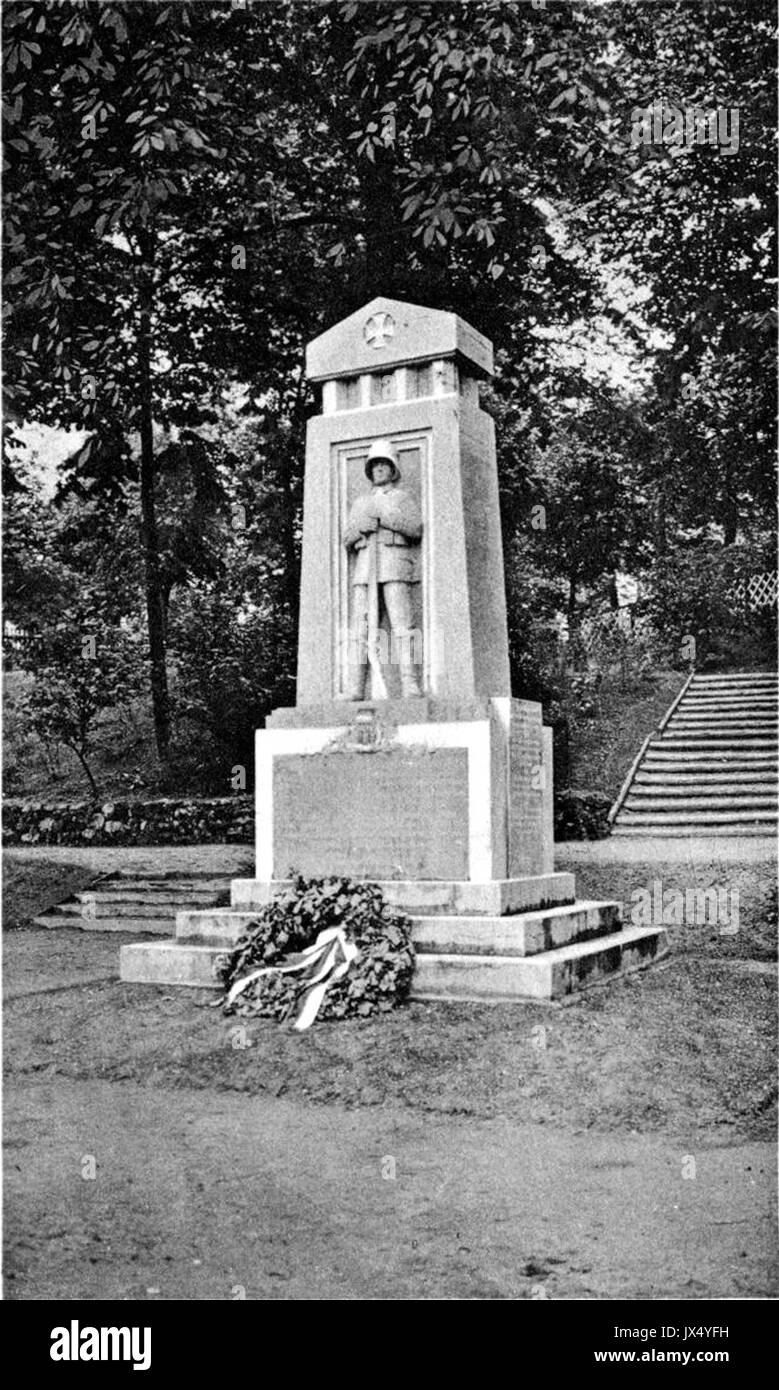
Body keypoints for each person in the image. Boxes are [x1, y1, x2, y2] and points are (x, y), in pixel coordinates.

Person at [342, 439, 423, 699]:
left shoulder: (402, 497)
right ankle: (355, 688)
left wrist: (386, 519)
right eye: (374, 465)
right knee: (361, 632)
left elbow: (415, 529)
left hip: (395, 567)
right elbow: (346, 539)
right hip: (365, 571)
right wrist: (360, 528)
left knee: (403, 628)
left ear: (392, 469)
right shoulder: (361, 503)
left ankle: (410, 683)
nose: (378, 469)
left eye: (383, 464)